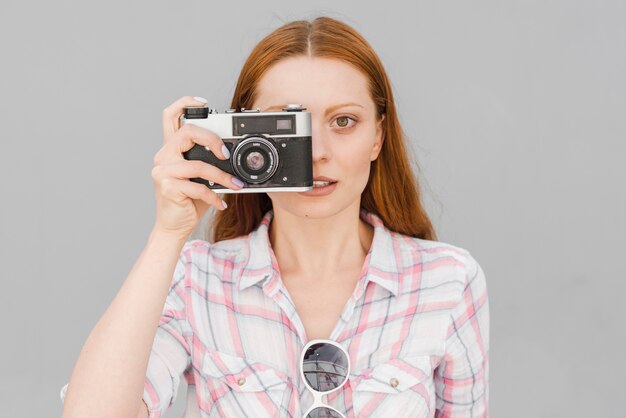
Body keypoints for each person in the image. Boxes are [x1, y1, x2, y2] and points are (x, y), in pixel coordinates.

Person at [60, 16, 489, 418]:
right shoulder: (198, 280)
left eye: (344, 121)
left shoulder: (448, 281)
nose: (316, 152)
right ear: (246, 138)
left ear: (377, 136)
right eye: (289, 124)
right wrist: (167, 235)